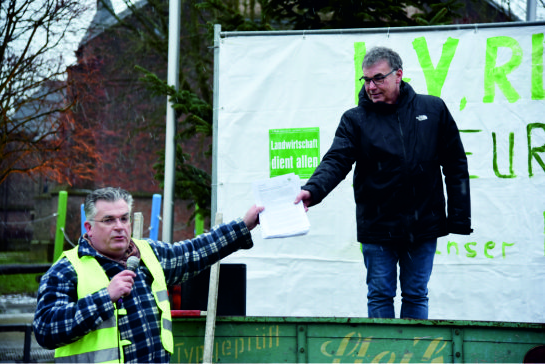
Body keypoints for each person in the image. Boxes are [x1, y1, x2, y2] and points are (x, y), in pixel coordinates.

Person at [294, 46, 472, 319]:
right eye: (366, 80)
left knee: (415, 293)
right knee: (380, 295)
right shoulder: (355, 119)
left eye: (378, 78)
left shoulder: (433, 109)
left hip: (423, 225)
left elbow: (456, 164)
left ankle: (413, 359)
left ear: (398, 75)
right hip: (377, 228)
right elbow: (336, 160)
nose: (371, 86)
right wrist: (312, 190)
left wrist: (458, 219)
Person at [33, 187, 263, 363]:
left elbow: (195, 252)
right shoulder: (66, 270)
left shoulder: (148, 254)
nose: (119, 226)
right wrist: (105, 297)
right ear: (89, 228)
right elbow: (46, 330)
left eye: (124, 218)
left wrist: (244, 225)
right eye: (108, 220)